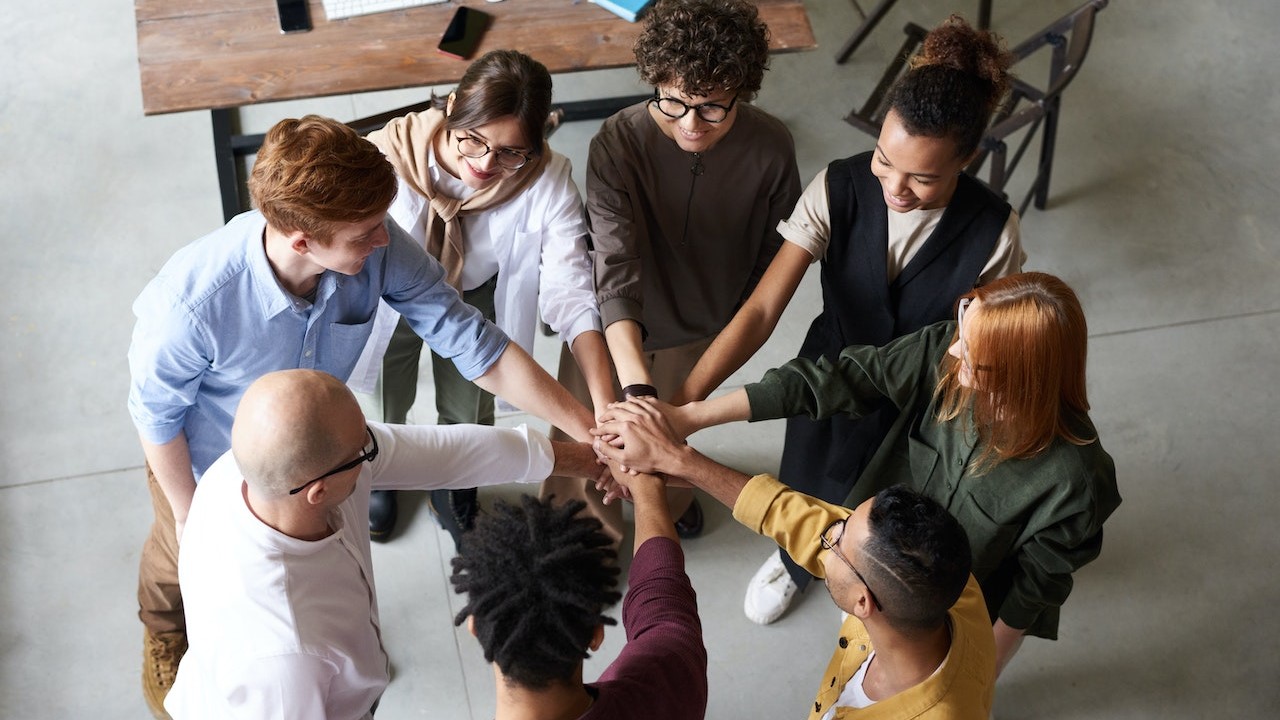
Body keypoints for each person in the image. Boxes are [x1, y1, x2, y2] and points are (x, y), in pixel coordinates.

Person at [127, 115, 594, 719]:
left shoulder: (372, 241)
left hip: (324, 448)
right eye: (366, 232)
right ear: (300, 239)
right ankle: (164, 632)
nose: (385, 240)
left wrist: (590, 431)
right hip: (205, 461)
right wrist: (195, 520)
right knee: (176, 563)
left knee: (327, 584)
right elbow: (154, 417)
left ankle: (348, 657)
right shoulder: (190, 306)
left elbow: (472, 342)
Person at [668, 14, 1026, 625]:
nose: (895, 186)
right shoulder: (838, 186)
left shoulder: (994, 232)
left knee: (894, 505)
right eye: (886, 160)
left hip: (922, 394)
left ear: (967, 160)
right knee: (810, 478)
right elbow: (759, 311)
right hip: (829, 371)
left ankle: (869, 577)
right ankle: (798, 560)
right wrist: (684, 408)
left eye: (924, 177)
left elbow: (988, 345)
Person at [601, 272, 1121, 675]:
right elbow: (838, 380)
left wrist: (978, 671)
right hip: (868, 551)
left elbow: (1032, 592)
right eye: (964, 325)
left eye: (977, 360)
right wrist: (689, 417)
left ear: (1024, 379)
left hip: (948, 610)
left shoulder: (1076, 482)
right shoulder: (948, 348)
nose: (955, 350)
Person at [164, 369, 602, 719]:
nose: (374, 446)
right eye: (363, 448)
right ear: (318, 490)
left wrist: (588, 459)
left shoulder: (258, 469)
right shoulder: (286, 658)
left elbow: (443, 454)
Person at [546, 0, 802, 545]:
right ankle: (586, 537)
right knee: (596, 436)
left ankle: (674, 499)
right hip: (616, 325)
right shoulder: (616, 141)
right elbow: (613, 265)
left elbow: (769, 260)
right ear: (654, 80)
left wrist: (725, 325)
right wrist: (635, 386)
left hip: (702, 326)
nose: (691, 124)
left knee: (674, 440)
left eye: (712, 108)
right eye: (674, 102)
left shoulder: (773, 148)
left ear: (743, 91)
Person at [594, 402, 995, 718]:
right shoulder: (946, 584)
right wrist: (678, 461)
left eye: (836, 542)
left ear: (863, 603)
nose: (826, 532)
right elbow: (798, 517)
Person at [359, 49, 614, 545]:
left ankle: (454, 483)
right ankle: (383, 468)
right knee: (385, 394)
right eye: (472, 141)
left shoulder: (546, 177)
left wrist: (603, 408)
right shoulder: (385, 153)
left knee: (471, 407)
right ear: (453, 106)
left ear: (534, 145)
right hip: (391, 297)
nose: (484, 164)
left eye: (509, 153)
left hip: (476, 296)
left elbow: (570, 289)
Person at [450, 471, 707, 719]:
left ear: (474, 628)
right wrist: (647, 488)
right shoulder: (672, 670)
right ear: (596, 635)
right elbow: (662, 596)